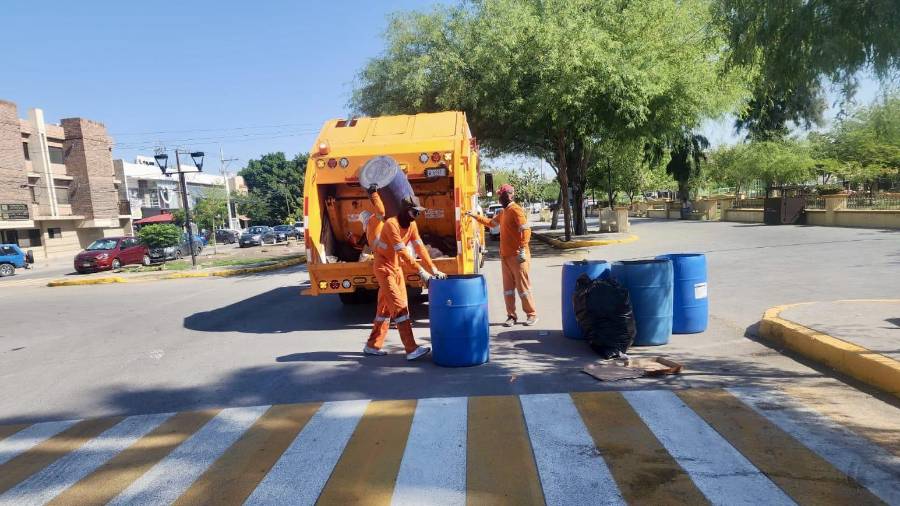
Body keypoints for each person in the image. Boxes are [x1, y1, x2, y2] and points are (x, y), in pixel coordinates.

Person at [360, 186, 446, 360]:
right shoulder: (392, 224)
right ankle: (411, 348)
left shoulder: (412, 225)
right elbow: (403, 252)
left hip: (396, 268)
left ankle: (372, 345)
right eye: (415, 212)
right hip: (384, 269)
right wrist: (421, 271)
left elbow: (420, 247)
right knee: (400, 308)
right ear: (406, 211)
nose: (418, 215)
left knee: (384, 310)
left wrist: (433, 269)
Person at [466, 183, 538, 327]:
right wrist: (474, 216)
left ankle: (531, 314)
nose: (500, 198)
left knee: (523, 288)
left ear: (510, 195)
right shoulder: (503, 212)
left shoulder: (516, 210)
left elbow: (526, 230)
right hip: (505, 257)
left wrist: (523, 248)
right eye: (499, 195)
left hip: (518, 257)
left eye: (502, 195)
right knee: (508, 290)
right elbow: (491, 223)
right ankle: (511, 316)